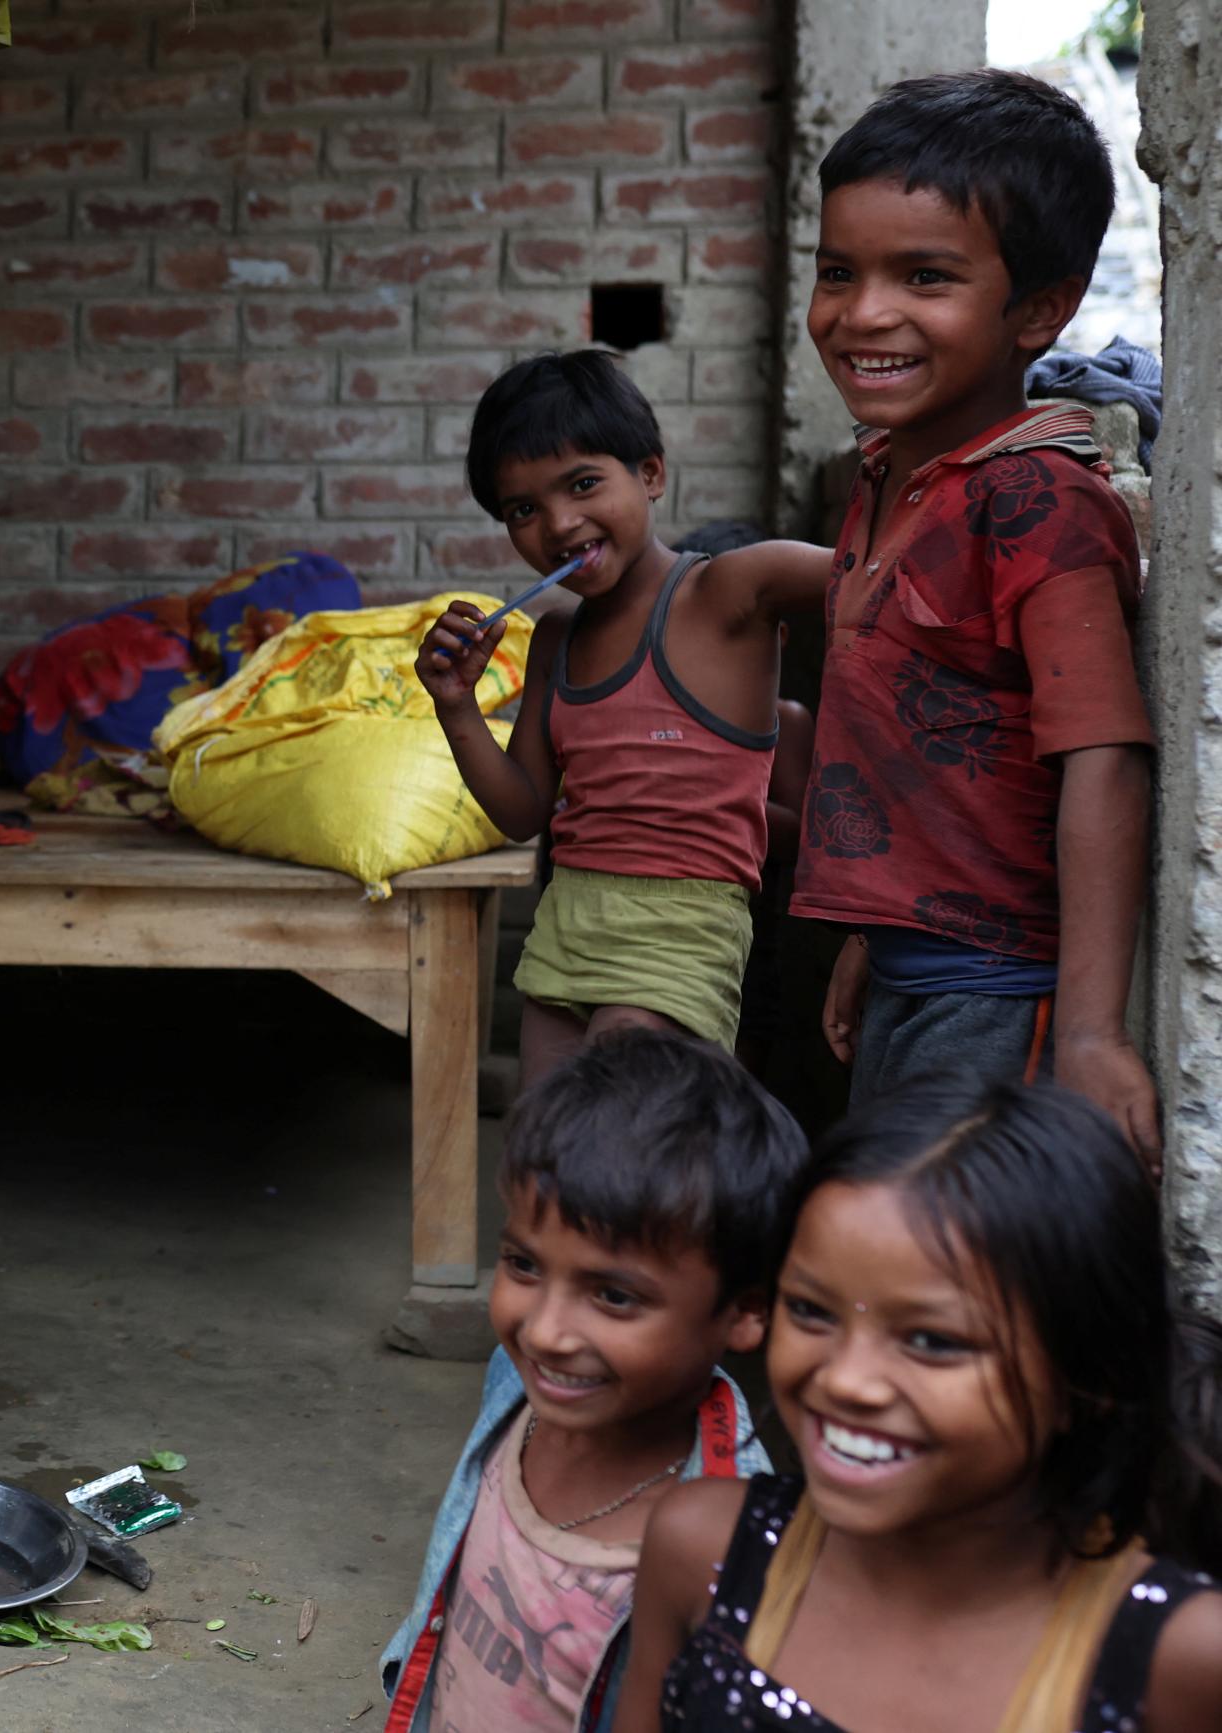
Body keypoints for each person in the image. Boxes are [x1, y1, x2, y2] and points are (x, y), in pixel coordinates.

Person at [790, 71, 1161, 1163]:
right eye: (834, 272)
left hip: (997, 995)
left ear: (1040, 309)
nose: (862, 313)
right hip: (914, 968)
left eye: (924, 276)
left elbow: (1103, 758)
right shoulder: (886, 473)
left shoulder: (1032, 500)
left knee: (942, 1267)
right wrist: (875, 928)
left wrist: (1089, 1031)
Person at [617, 1079, 1222, 1732]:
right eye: (810, 1310)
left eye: (933, 1340)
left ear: (1090, 1376)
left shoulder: (1178, 1660)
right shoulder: (700, 1550)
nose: (848, 1380)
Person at [417, 354, 831, 1084]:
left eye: (582, 484)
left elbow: (877, 571)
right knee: (543, 1149)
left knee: (623, 1135)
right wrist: (457, 708)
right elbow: (522, 813)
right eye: (523, 509)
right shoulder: (555, 638)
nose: (560, 524)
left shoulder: (730, 591)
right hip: (567, 923)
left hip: (680, 930)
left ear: (650, 473)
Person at [379, 1030, 808, 1732]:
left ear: (747, 1310)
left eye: (612, 1295)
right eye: (523, 1263)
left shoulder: (729, 1550)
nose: (544, 1330)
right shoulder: (513, 1389)